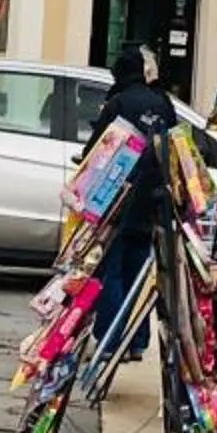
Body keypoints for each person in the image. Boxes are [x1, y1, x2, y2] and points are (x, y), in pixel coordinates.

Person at [85, 47, 180, 362]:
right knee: (140, 272)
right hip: (153, 202)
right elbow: (177, 148)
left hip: (118, 200)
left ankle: (110, 341)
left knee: (112, 269)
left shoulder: (118, 103)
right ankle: (137, 340)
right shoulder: (163, 103)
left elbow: (96, 151)